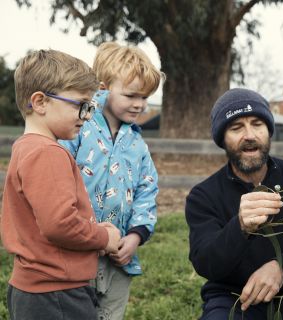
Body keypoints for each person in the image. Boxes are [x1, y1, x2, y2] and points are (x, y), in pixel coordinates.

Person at [185, 88, 283, 320]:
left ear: (268, 131)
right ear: (222, 139)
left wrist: (281, 267)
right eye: (236, 128)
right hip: (237, 300)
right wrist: (240, 227)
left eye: (257, 124)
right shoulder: (204, 195)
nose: (249, 135)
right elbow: (206, 263)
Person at [0, 49, 122, 320]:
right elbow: (60, 225)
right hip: (57, 293)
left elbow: (47, 220)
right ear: (40, 102)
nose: (87, 115)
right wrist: (104, 238)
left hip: (34, 290)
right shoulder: (48, 153)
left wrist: (91, 228)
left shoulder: (25, 148)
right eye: (80, 104)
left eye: (89, 106)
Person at [59, 42, 164, 320]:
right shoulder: (77, 129)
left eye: (145, 97)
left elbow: (147, 189)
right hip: (76, 253)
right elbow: (58, 179)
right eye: (131, 95)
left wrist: (136, 235)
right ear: (103, 88)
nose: (140, 104)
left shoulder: (138, 144)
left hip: (119, 258)